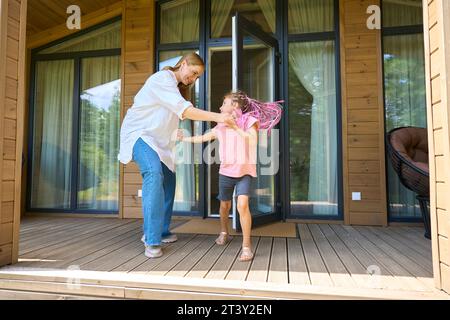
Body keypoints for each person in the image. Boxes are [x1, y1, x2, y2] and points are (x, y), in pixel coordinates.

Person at [118, 53, 236, 259]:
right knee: (154, 174)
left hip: (160, 143)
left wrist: (178, 133)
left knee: (169, 181)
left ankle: (162, 230)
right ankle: (151, 238)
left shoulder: (177, 89)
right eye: (193, 73)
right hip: (139, 135)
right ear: (183, 64)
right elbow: (186, 111)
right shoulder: (162, 79)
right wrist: (220, 117)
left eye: (197, 77)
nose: (194, 79)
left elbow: (170, 116)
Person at [179, 90, 282, 261]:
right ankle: (224, 231)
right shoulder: (221, 125)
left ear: (234, 106)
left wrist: (235, 127)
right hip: (226, 172)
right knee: (224, 206)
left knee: (242, 206)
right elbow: (204, 137)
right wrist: (184, 139)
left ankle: (247, 247)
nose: (220, 107)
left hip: (245, 172)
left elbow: (253, 140)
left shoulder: (250, 121)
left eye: (223, 104)